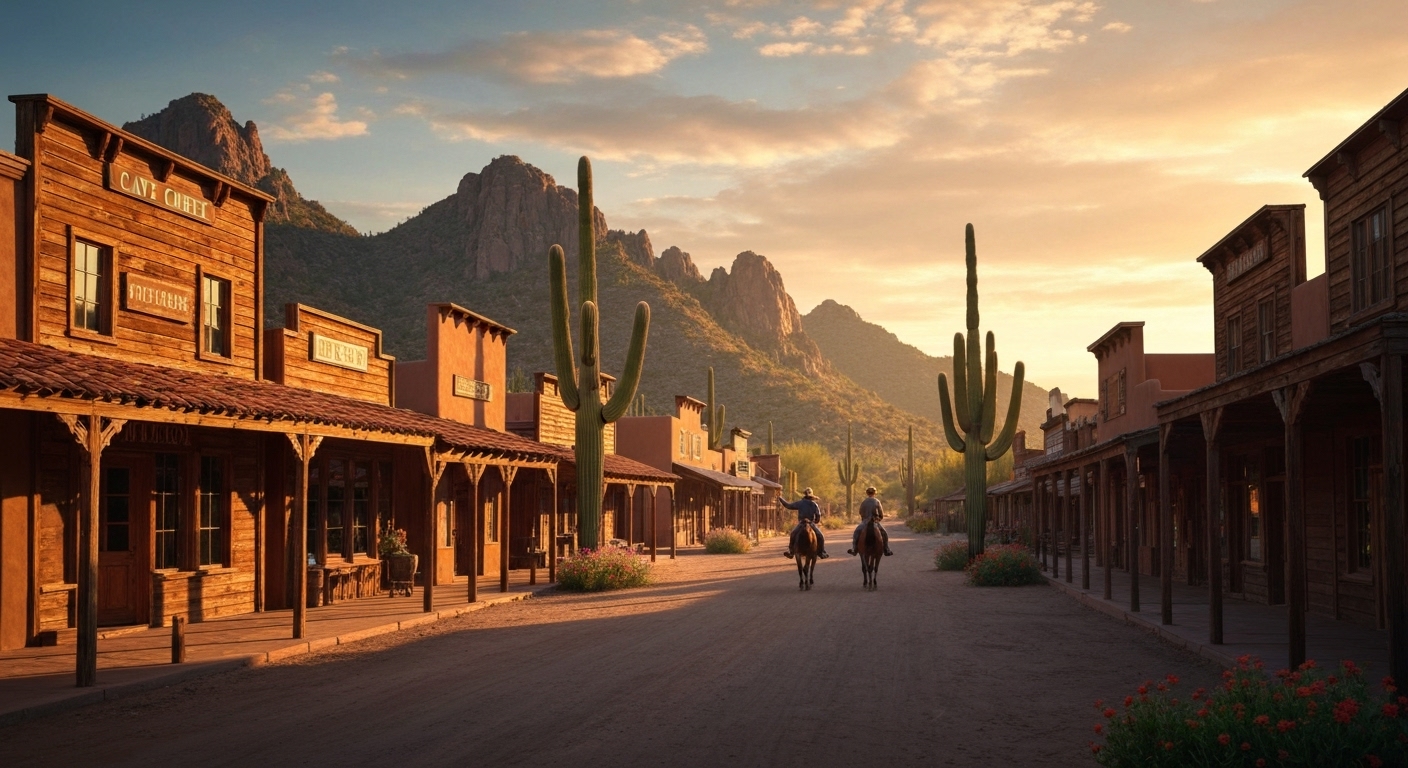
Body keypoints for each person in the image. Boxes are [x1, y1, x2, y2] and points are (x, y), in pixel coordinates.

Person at [779, 487, 829, 559]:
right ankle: (821, 552)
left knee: (793, 534)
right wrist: (816, 521)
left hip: (801, 524)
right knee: (820, 536)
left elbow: (788, 505)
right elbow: (818, 515)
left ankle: (791, 552)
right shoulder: (814, 504)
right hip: (811, 524)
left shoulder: (800, 503)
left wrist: (781, 499)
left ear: (804, 495)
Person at [849, 486, 893, 557]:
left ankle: (854, 548)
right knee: (884, 533)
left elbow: (861, 512)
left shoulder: (864, 502)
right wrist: (878, 519)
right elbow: (881, 514)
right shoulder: (877, 501)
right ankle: (886, 548)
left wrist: (864, 519)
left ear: (867, 493)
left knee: (856, 532)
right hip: (875, 521)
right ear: (874, 493)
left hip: (865, 522)